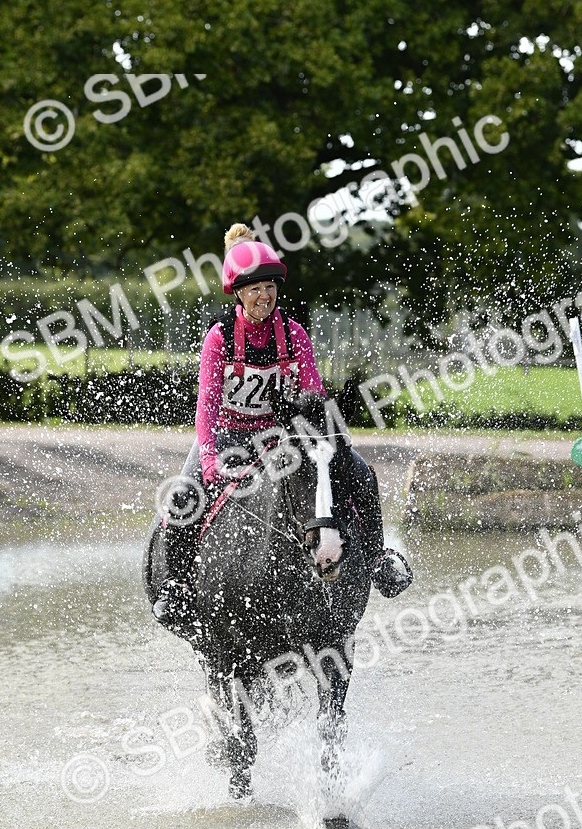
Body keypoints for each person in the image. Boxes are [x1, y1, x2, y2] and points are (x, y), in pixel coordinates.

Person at [154, 222, 412, 616]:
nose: (264, 296)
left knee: (359, 472)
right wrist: (207, 459)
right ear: (239, 293)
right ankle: (175, 583)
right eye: (255, 288)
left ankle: (377, 558)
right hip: (227, 436)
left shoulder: (294, 335)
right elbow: (205, 408)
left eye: (270, 287)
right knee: (184, 496)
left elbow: (313, 394)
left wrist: (326, 435)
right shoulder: (219, 338)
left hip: (281, 436)